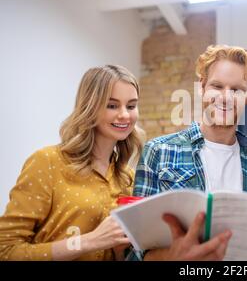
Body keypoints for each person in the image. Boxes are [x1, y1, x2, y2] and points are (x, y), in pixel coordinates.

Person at [127, 44, 247, 261]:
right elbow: (134, 250)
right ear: (202, 87)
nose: (226, 97)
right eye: (217, 86)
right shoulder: (159, 152)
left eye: (237, 90)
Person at [0, 65, 144, 260]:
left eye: (131, 106)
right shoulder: (47, 162)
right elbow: (6, 250)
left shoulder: (128, 178)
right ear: (90, 107)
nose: (125, 115)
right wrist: (90, 241)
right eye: (112, 105)